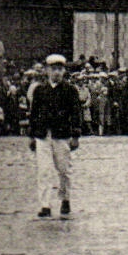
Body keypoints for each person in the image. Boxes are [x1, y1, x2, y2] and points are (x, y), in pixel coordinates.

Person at [29, 54, 81, 218]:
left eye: (59, 69)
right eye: (53, 69)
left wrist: (75, 135)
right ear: (47, 71)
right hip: (43, 135)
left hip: (62, 135)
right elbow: (34, 114)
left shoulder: (70, 90)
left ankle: (65, 199)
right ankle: (45, 204)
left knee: (64, 170)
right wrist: (32, 135)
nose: (56, 73)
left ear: (64, 71)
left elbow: (76, 113)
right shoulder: (40, 90)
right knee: (43, 170)